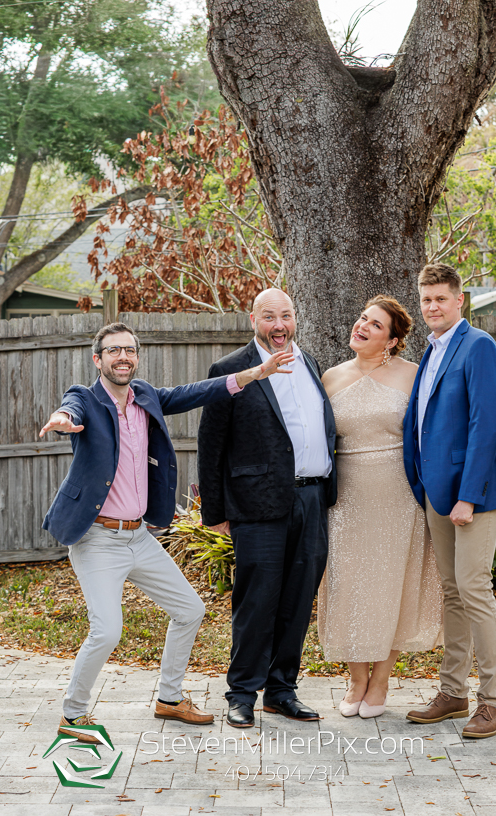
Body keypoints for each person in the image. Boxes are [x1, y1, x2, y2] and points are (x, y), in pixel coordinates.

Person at [39, 321, 292, 743]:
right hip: (98, 540)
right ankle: (73, 713)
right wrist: (62, 419)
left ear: (136, 357)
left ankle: (170, 699)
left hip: (139, 537)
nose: (123, 357)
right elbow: (70, 408)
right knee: (107, 630)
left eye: (129, 350)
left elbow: (198, 392)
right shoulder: (85, 398)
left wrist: (253, 374)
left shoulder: (146, 397)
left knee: (190, 610)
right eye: (113, 350)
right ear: (98, 359)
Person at [197, 288, 337, 728]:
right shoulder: (230, 370)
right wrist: (214, 511)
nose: (280, 325)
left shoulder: (311, 363)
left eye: (287, 316)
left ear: (295, 319)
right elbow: (211, 444)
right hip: (256, 504)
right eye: (270, 317)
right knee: (256, 600)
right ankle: (241, 693)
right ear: (253, 319)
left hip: (312, 500)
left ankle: (280, 691)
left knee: (298, 600)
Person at [318, 296, 443, 718]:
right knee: (349, 583)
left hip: (398, 493)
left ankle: (382, 680)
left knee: (394, 584)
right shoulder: (331, 377)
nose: (362, 326)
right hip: (347, 496)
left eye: (374, 324)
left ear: (391, 340)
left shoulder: (414, 375)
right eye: (361, 319)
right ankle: (356, 679)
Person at [403, 263, 496, 739]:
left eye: (441, 299)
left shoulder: (479, 346)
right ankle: (453, 692)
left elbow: (485, 426)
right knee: (452, 591)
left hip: (473, 496)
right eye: (426, 300)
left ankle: (492, 701)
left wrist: (468, 497)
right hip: (436, 494)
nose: (432, 308)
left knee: (473, 588)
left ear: (459, 300)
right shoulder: (432, 350)